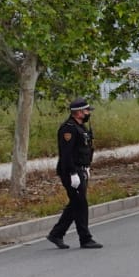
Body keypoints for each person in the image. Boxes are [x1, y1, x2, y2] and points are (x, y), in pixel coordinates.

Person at [46, 98, 101, 250]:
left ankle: (56, 234)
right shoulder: (68, 129)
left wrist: (86, 167)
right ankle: (85, 239)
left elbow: (84, 150)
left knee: (75, 204)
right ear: (78, 113)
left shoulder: (80, 127)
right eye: (86, 111)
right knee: (81, 204)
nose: (88, 113)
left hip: (81, 169)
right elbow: (67, 154)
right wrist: (72, 173)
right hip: (71, 171)